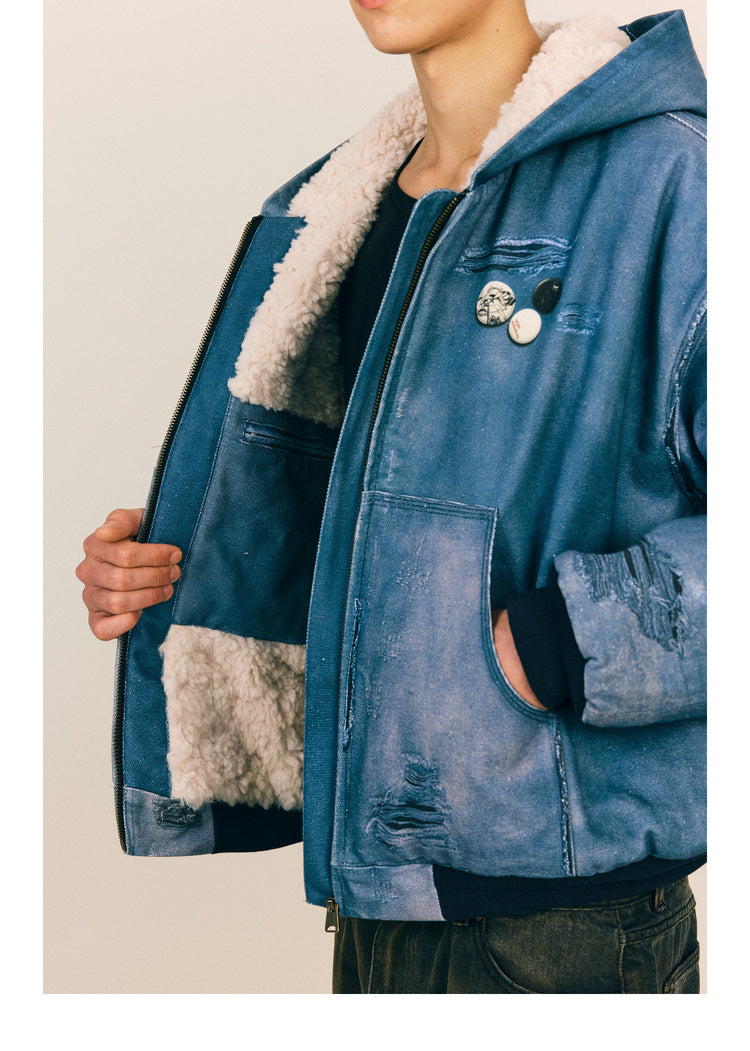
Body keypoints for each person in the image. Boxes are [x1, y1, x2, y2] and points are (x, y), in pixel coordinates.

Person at [76, 1, 706, 994]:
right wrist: (173, 567)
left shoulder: (672, 177)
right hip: (379, 895)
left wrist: (563, 639)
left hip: (564, 916)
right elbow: (355, 517)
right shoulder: (339, 207)